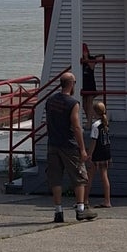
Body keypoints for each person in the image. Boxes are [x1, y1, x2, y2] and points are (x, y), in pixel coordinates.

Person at [45, 69, 97, 223]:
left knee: (55, 178)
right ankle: (81, 209)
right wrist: (82, 149)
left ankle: (58, 211)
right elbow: (76, 126)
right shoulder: (73, 103)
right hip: (68, 144)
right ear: (71, 84)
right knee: (79, 176)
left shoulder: (50, 101)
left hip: (52, 143)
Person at [87, 97, 113, 208]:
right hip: (106, 151)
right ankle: (107, 200)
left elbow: (93, 141)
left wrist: (89, 154)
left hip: (97, 153)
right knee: (104, 176)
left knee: (90, 176)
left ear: (95, 112)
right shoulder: (105, 123)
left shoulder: (95, 125)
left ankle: (84, 200)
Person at [80, 43, 99, 120]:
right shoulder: (80, 60)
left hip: (90, 84)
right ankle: (97, 118)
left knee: (89, 104)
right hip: (83, 85)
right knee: (84, 105)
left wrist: (86, 58)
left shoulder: (91, 58)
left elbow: (91, 67)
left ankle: (89, 122)